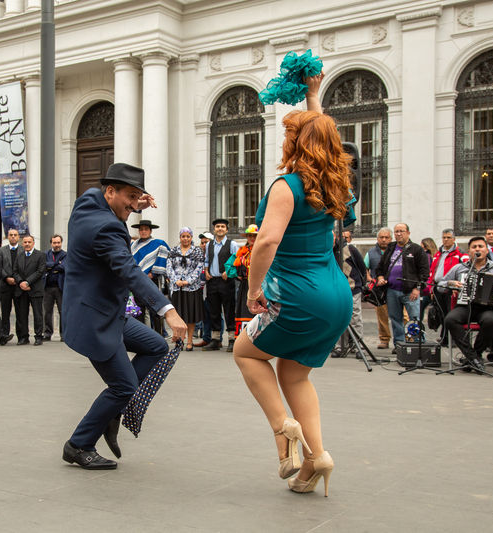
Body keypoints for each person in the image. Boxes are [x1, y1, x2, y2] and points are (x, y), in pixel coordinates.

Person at [233, 74, 351, 496]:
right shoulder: (336, 186)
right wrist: (313, 97)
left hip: (299, 294)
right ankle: (316, 459)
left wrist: (252, 291)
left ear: (296, 144)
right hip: (337, 295)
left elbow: (266, 241)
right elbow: (321, 132)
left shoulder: (287, 186)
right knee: (295, 374)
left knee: (245, 352)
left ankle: (282, 429)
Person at [61, 162, 186, 470]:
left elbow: (100, 197)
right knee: (124, 386)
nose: (134, 206)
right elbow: (129, 271)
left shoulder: (87, 204)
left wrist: (132, 199)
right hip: (95, 320)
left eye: (138, 197)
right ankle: (78, 444)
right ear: (111, 191)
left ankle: (111, 412)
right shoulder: (108, 228)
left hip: (106, 311)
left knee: (156, 346)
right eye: (129, 197)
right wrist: (167, 310)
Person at [440, 237, 493, 372]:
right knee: (450, 319)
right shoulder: (459, 268)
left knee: (489, 320)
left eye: (480, 246)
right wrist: (451, 284)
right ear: (469, 251)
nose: (477, 249)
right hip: (465, 306)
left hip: (489, 307)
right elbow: (440, 285)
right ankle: (474, 358)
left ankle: (473, 357)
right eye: (474, 247)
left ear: (486, 250)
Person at [375, 223, 429, 349]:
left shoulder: (416, 249)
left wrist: (417, 288)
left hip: (410, 291)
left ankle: (418, 345)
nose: (399, 234)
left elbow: (424, 272)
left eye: (401, 231)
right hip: (392, 290)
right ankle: (399, 345)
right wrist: (381, 277)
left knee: (414, 319)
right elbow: (380, 267)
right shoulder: (391, 247)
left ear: (408, 233)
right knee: (395, 319)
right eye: (396, 231)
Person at [166, 227, 204, 351]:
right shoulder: (173, 251)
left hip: (191, 288)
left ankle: (189, 340)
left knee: (190, 315)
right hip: (177, 287)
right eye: (183, 236)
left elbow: (199, 267)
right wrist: (176, 280)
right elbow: (169, 267)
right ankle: (180, 340)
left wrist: (188, 281)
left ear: (191, 237)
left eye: (188, 236)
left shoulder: (197, 251)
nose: (185, 238)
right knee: (179, 314)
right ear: (180, 237)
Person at [203, 218, 239, 351]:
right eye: (217, 226)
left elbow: (236, 260)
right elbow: (207, 259)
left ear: (227, 230)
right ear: (214, 230)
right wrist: (206, 271)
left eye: (222, 227)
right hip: (212, 280)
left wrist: (228, 272)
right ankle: (216, 339)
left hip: (226, 280)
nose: (220, 229)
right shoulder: (209, 245)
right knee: (214, 310)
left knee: (229, 310)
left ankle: (231, 339)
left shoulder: (232, 244)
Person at [426, 229, 468, 342]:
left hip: (452, 289)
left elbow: (465, 271)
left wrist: (458, 286)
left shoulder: (461, 253)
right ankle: (445, 337)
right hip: (438, 287)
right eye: (444, 237)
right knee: (442, 313)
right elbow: (432, 270)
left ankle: (453, 339)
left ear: (454, 239)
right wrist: (431, 288)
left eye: (448, 237)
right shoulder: (439, 253)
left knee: (451, 314)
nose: (446, 240)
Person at [130, 220, 170, 336]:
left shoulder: (158, 243)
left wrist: (153, 273)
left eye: (146, 229)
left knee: (155, 308)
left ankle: (159, 335)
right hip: (137, 281)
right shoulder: (134, 245)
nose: (143, 231)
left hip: (152, 280)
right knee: (139, 310)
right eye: (141, 229)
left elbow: (164, 257)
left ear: (150, 231)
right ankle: (141, 336)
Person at [330, 230, 366, 358]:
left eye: (332, 236)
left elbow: (362, 267)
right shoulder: (326, 251)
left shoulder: (349, 249)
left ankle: (358, 346)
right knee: (338, 319)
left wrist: (361, 283)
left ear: (336, 237)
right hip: (335, 291)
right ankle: (340, 347)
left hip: (352, 288)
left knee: (355, 317)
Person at [225, 224, 258, 352]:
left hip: (261, 286)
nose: (252, 238)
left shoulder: (263, 249)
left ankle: (261, 342)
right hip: (246, 286)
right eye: (249, 235)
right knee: (245, 311)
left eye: (254, 235)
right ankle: (245, 342)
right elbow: (229, 265)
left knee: (260, 312)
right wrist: (237, 274)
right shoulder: (242, 251)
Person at [13, 235, 46, 346]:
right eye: (25, 242)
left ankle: (38, 336)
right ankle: (24, 337)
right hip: (21, 290)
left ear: (33, 243)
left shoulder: (40, 255)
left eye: (29, 242)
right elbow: (15, 271)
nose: (27, 244)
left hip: (35, 289)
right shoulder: (19, 256)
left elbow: (40, 271)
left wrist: (27, 282)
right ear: (23, 243)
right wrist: (21, 282)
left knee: (37, 314)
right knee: (22, 315)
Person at [364, 227, 392, 349]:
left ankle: (403, 339)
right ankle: (384, 339)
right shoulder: (370, 253)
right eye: (382, 237)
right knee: (382, 315)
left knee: (403, 316)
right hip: (379, 290)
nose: (384, 240)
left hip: (395, 287)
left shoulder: (396, 251)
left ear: (391, 239)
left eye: (386, 237)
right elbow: (364, 268)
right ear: (377, 239)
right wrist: (370, 279)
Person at [0, 228, 21, 344]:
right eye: (11, 235)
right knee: (5, 312)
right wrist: (7, 278)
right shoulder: (1, 251)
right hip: (5, 285)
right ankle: (4, 335)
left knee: (20, 312)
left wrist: (17, 279)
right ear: (7, 237)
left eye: (15, 235)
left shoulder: (22, 250)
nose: (13, 237)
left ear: (18, 237)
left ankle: (21, 336)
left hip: (18, 285)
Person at [43, 234, 66, 341]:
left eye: (58, 242)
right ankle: (47, 333)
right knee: (47, 312)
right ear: (51, 243)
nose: (57, 245)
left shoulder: (66, 255)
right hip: (47, 287)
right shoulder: (45, 254)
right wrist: (56, 265)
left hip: (60, 287)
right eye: (54, 243)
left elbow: (63, 267)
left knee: (62, 311)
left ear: (61, 243)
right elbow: (44, 265)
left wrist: (51, 266)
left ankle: (63, 334)